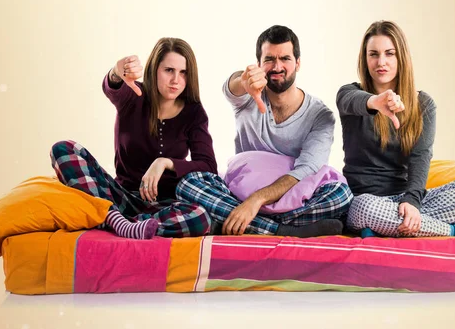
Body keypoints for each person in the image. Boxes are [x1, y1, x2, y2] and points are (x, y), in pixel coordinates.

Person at [336, 20, 455, 238]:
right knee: (364, 209)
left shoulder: (424, 104)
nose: (381, 61)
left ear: (401, 57)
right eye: (374, 54)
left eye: (390, 53)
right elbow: (350, 101)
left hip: (406, 199)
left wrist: (412, 202)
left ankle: (391, 226)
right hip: (367, 201)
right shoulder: (350, 94)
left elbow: (420, 156)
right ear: (365, 58)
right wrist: (376, 102)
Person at [176, 25, 353, 237]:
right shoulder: (247, 96)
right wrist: (243, 81)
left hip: (293, 199)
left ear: (298, 62)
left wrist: (256, 200)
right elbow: (231, 87)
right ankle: (281, 229)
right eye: (269, 59)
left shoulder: (320, 115)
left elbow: (304, 171)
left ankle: (242, 222)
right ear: (259, 64)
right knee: (188, 183)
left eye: (285, 58)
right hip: (239, 194)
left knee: (341, 196)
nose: (277, 66)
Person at [50, 37, 217, 240]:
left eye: (183, 73)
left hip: (165, 206)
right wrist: (116, 72)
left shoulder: (194, 112)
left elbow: (208, 167)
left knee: (201, 217)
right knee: (63, 149)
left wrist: (165, 163)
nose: (176, 80)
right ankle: (116, 219)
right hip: (119, 197)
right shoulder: (134, 94)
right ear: (154, 69)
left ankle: (122, 224)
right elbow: (112, 86)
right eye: (169, 70)